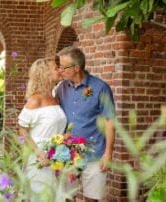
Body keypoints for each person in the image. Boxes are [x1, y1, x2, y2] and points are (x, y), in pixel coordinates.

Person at [55, 46, 116, 202]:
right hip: (68, 154)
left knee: (92, 199)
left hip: (95, 154)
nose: (60, 70)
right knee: (68, 197)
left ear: (76, 68)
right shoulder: (61, 88)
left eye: (64, 66)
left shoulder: (100, 88)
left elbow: (110, 121)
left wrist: (108, 153)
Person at [18, 57, 68, 202]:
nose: (59, 70)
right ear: (44, 73)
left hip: (57, 154)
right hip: (40, 156)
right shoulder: (35, 100)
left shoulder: (54, 97)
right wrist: (39, 153)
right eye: (55, 68)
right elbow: (22, 129)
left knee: (56, 195)